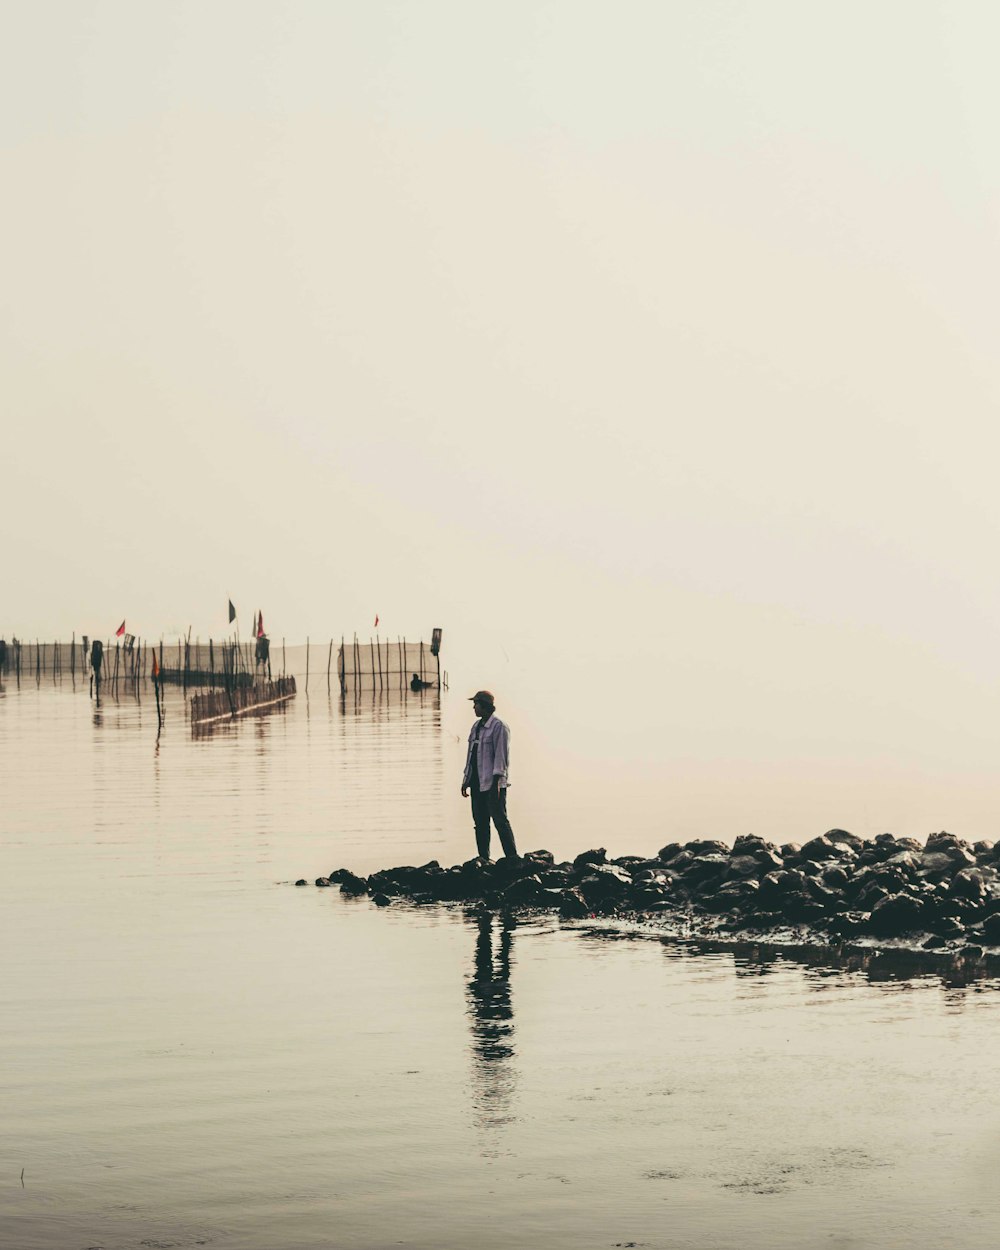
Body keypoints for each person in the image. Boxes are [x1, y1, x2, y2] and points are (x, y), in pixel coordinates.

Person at [461, 690, 518, 861]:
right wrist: (466, 781)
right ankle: (483, 858)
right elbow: (471, 755)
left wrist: (496, 786)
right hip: (477, 783)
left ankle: (512, 858)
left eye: (476, 704)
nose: (474, 707)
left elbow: (501, 758)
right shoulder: (476, 727)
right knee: (480, 823)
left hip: (493, 784)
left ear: (485, 705)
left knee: (500, 821)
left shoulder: (499, 726)